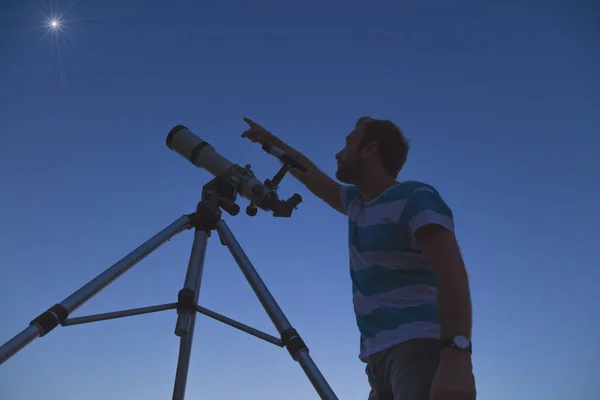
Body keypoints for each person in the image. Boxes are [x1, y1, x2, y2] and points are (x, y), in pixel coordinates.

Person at [242, 116, 476, 400]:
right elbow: (308, 172)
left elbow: (451, 272)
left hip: (418, 347)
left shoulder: (415, 197)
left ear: (369, 149)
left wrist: (456, 357)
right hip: (376, 361)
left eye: (348, 143)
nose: (338, 154)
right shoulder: (356, 203)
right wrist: (269, 141)